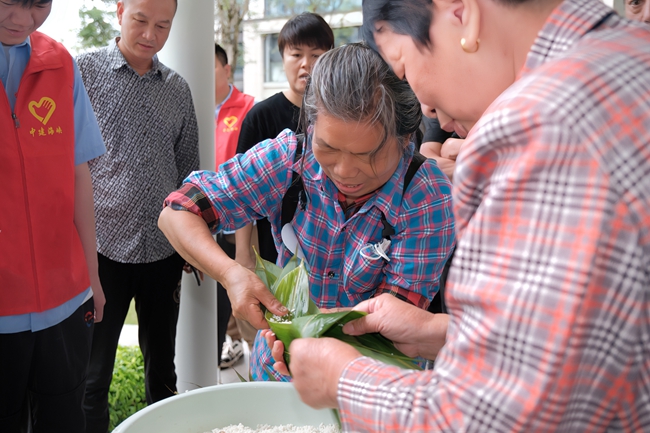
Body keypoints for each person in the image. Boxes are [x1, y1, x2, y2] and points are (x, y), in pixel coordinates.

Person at [265, 0, 650, 431]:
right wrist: (435, 330)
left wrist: (343, 379)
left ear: (461, 12)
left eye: (405, 70)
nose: (424, 108)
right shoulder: (632, 54)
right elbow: (578, 346)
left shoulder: (539, 124)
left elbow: (487, 415)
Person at [158, 42, 456, 382]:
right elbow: (177, 212)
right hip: (277, 374)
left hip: (370, 383)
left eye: (367, 154)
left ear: (405, 141)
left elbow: (393, 324)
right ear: (311, 124)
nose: (344, 171)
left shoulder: (426, 195)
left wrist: (306, 341)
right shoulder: (290, 160)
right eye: (328, 148)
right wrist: (231, 274)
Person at [76, 0, 200, 431]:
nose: (150, 34)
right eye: (140, 21)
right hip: (101, 251)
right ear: (120, 11)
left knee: (162, 373)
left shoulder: (177, 88)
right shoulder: (84, 73)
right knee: (91, 376)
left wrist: (191, 243)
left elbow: (189, 172)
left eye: (163, 26)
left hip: (164, 251)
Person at [0, 1, 106, 431]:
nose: (23, 21)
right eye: (10, 3)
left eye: (38, 6)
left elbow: (78, 172)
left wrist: (92, 276)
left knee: (64, 420)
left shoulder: (60, 63)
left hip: (65, 300)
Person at [233, 12, 334, 272]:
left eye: (315, 55)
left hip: (329, 253)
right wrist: (243, 254)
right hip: (274, 251)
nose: (306, 64)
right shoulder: (261, 116)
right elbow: (241, 188)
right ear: (283, 58)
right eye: (296, 54)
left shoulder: (339, 115)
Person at [212, 42, 256, 368]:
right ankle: (230, 342)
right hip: (203, 220)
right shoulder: (192, 105)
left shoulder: (248, 109)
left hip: (238, 222)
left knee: (243, 283)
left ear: (227, 70)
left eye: (211, 66)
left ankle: (247, 346)